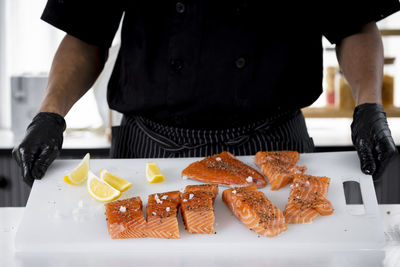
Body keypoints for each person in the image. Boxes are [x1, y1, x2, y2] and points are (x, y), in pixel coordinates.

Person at [13, 1, 399, 186]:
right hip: (149, 150)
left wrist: (369, 106)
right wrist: (50, 114)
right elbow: (84, 33)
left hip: (273, 143)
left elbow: (355, 24)